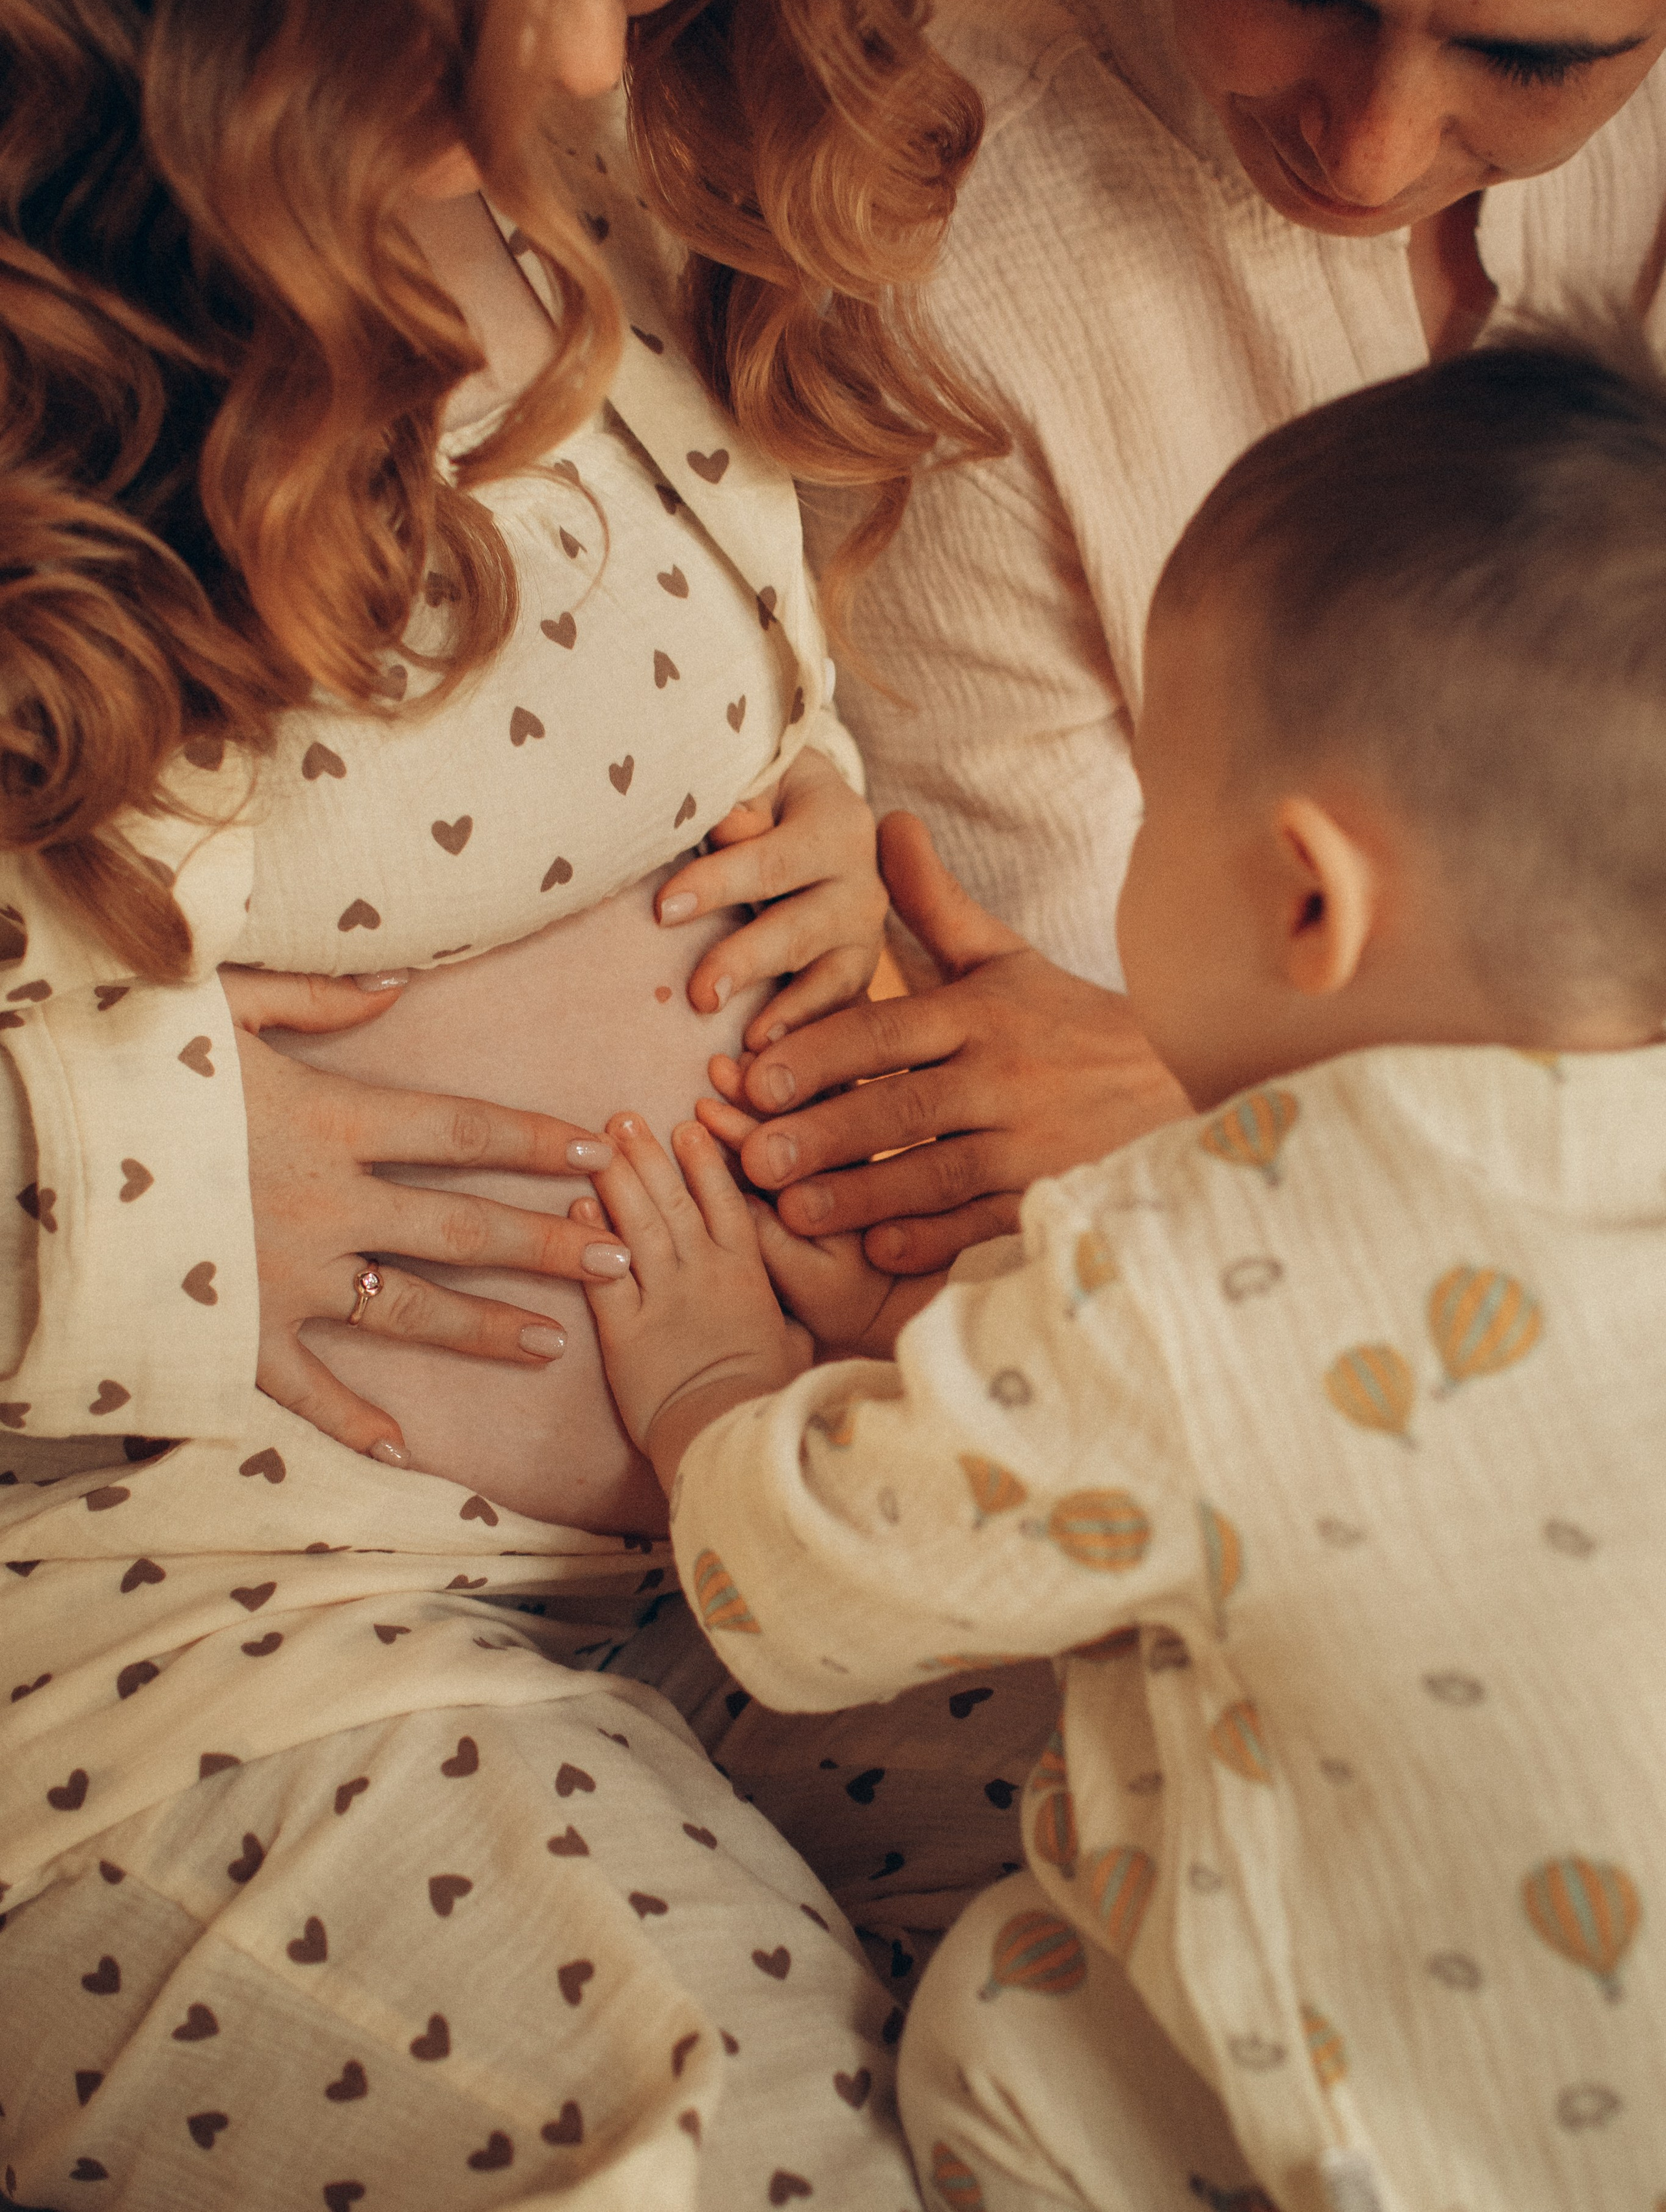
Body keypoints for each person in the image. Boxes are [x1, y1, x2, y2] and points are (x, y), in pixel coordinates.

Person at [0, 0, 1054, 2204]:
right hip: (216, 1634)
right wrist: (145, 1174)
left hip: (797, 1500)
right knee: (741, 2145)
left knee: (1338, 1887)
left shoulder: (600, 192)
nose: (580, 50)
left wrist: (817, 830)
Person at [584, 329, 1666, 2209]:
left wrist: (713, 1395)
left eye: (1164, 794)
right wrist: (975, 1347)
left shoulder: (1184, 1271)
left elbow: (811, 1591)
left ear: (1307, 900)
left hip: (1407, 2143)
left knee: (1009, 2011)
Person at [707, 0, 1666, 1283]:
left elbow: (1136, 1060)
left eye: (1535, 58)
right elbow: (1045, 1028)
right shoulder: (905, 219)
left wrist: (1190, 1101)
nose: (1367, 151)